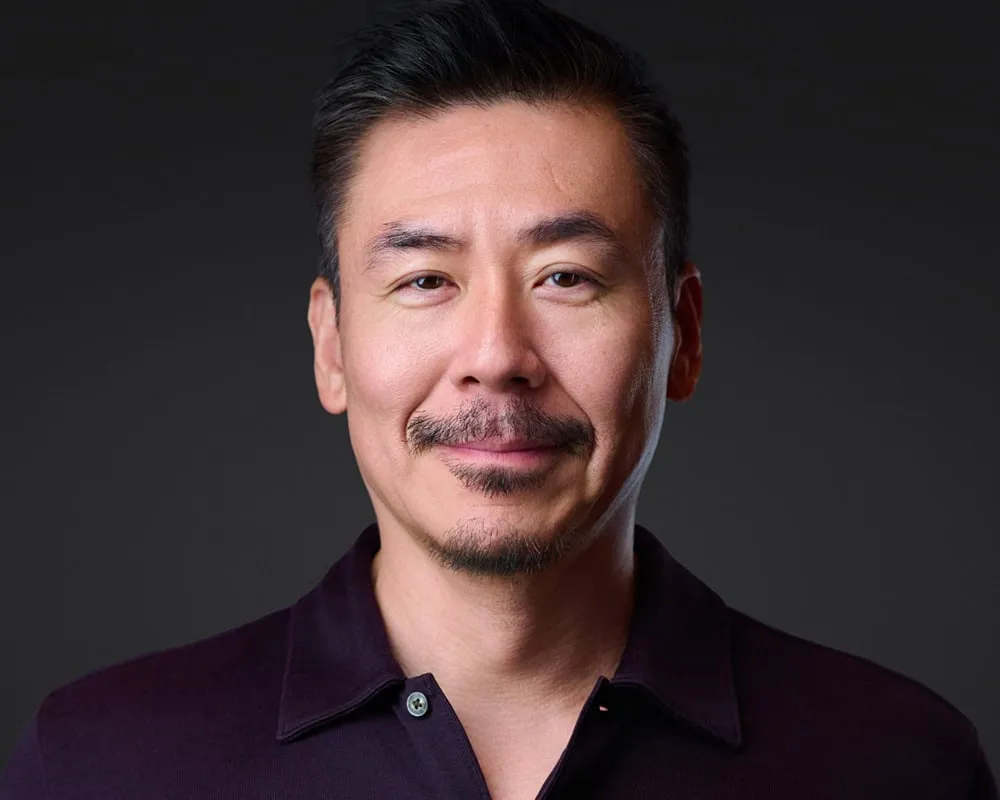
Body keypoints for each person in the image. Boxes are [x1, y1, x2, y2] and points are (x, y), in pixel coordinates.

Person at [2, 0, 995, 797]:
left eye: (566, 277)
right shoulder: (101, 763)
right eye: (425, 279)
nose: (496, 356)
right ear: (331, 344)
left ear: (681, 335)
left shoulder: (895, 762)